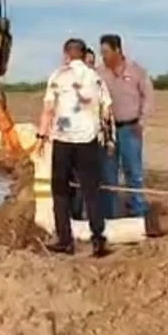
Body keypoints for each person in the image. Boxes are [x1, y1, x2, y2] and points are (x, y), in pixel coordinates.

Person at [36, 38, 114, 257]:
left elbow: (48, 110)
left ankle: (65, 240)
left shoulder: (58, 76)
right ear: (82, 54)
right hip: (88, 141)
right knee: (92, 192)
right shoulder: (95, 78)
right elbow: (106, 112)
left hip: (63, 140)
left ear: (66, 55)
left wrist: (41, 137)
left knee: (60, 192)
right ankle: (98, 240)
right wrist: (109, 140)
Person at [97, 34, 154, 218]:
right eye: (101, 52)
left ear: (118, 50)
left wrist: (142, 121)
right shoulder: (98, 74)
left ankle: (138, 212)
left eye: (106, 51)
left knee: (134, 172)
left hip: (131, 129)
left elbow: (148, 97)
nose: (103, 56)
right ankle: (110, 214)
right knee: (108, 174)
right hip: (108, 132)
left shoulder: (137, 71)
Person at [70, 45, 99, 219]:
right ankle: (76, 216)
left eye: (92, 63)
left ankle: (94, 218)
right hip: (74, 139)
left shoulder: (97, 84)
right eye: (87, 63)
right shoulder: (70, 86)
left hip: (94, 138)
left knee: (91, 180)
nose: (90, 66)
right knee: (77, 181)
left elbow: (105, 113)